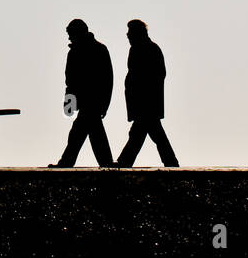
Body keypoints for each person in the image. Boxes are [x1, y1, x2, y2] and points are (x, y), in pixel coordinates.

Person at [50, 18, 114, 167]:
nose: (69, 37)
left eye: (70, 34)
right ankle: (106, 164)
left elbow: (72, 82)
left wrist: (69, 104)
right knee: (91, 134)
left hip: (90, 102)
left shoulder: (82, 52)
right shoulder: (97, 49)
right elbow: (72, 81)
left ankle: (67, 162)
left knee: (79, 133)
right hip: (92, 102)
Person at [115, 19, 179, 167]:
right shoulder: (141, 49)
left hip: (146, 102)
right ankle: (170, 163)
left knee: (142, 133)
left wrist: (142, 94)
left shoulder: (150, 49)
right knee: (146, 134)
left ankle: (125, 162)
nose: (127, 35)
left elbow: (156, 76)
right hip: (143, 102)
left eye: (130, 32)